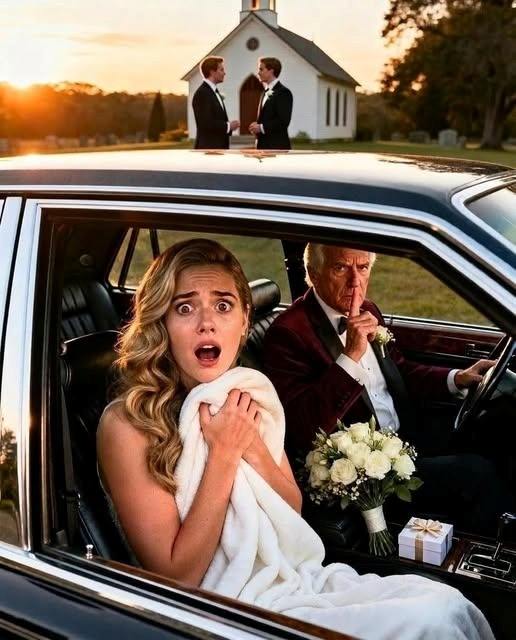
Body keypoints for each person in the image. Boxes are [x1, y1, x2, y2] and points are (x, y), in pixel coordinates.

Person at [97, 238, 494, 640]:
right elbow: (178, 578)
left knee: (445, 603)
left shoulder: (246, 394)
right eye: (185, 308)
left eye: (223, 306)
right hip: (224, 609)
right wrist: (224, 454)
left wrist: (252, 447)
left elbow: (291, 506)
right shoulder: (129, 424)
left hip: (293, 575)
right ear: (160, 321)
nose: (207, 323)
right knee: (428, 622)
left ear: (244, 319)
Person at [263, 243, 512, 535]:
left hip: (406, 436)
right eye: (341, 268)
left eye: (363, 268)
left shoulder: (368, 310)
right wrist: (350, 356)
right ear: (313, 273)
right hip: (367, 475)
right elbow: (303, 426)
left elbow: (401, 372)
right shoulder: (288, 333)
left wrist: (457, 377)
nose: (355, 281)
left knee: (497, 430)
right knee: (477, 475)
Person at [192, 57, 240, 149]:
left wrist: (229, 127)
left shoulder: (212, 91)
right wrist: (228, 126)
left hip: (217, 148)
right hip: (209, 149)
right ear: (212, 72)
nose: (224, 73)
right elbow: (205, 123)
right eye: (221, 70)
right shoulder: (202, 93)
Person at [249, 57, 293, 150]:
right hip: (263, 146)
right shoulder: (264, 92)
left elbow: (283, 121)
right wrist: (256, 127)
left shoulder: (283, 92)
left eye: (261, 69)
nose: (258, 73)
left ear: (271, 71)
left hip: (276, 147)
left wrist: (261, 127)